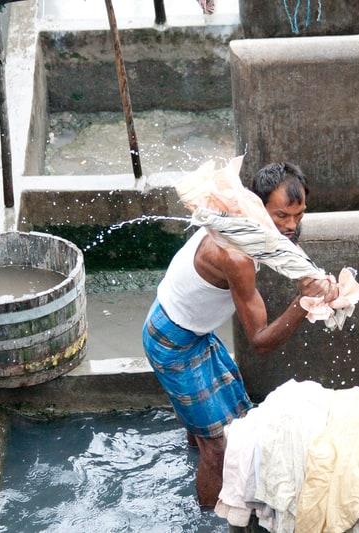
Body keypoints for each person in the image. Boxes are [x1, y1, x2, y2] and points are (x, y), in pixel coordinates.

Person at [141, 162, 337, 507]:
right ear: (257, 207)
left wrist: (311, 278)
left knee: (230, 426)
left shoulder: (243, 221)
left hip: (192, 330)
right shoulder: (236, 254)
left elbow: (287, 254)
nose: (291, 226)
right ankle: (205, 519)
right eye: (282, 216)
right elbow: (259, 341)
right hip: (172, 342)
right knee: (218, 451)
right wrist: (304, 305)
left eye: (299, 215)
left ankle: (196, 447)